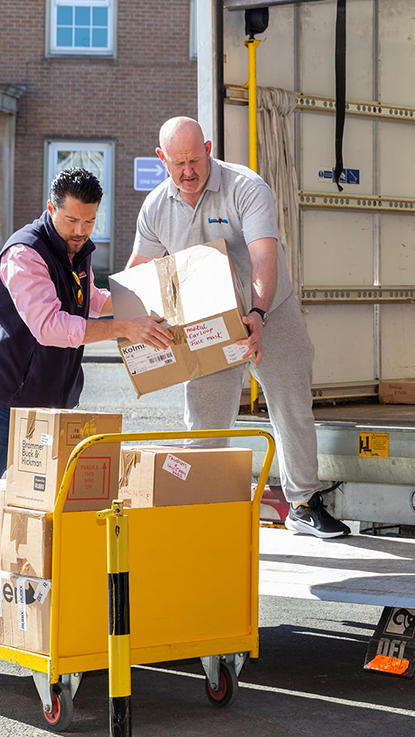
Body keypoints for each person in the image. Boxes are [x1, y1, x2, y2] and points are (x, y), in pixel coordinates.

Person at [0, 167, 170, 673]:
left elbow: (86, 300)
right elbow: (51, 325)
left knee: (50, 516)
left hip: (51, 405)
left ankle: (44, 621)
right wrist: (123, 326)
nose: (80, 230)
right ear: (51, 207)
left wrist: (138, 305)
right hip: (0, 399)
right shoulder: (23, 254)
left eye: (89, 221)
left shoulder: (78, 254)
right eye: (72, 219)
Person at [127, 116, 349, 539]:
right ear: (162, 159)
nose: (188, 171)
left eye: (195, 159)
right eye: (178, 163)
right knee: (205, 421)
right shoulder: (155, 207)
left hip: (269, 312)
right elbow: (140, 272)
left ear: (209, 148)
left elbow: (264, 256)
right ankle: (199, 508)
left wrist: (258, 314)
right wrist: (129, 320)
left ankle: (302, 503)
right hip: (207, 322)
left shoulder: (246, 187)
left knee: (291, 405)